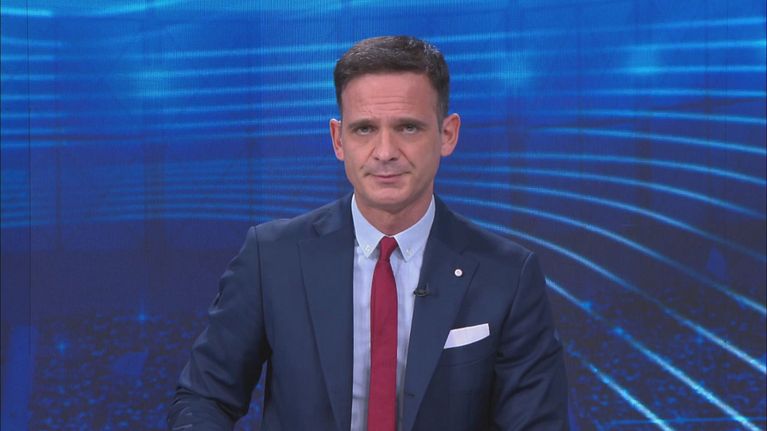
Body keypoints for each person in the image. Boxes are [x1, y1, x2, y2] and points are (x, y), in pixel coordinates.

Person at [168, 35, 568, 431]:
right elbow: (203, 399)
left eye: (408, 127)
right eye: (364, 129)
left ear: (447, 134)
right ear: (338, 139)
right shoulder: (271, 257)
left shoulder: (507, 275)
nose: (385, 151)